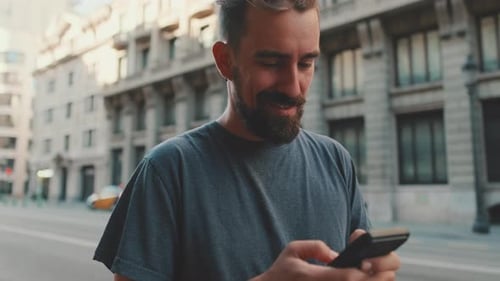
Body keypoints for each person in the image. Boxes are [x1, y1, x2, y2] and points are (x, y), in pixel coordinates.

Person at [93, 0, 401, 280]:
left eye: (306, 63)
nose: (294, 87)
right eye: (271, 62)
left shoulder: (336, 160)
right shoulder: (168, 170)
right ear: (225, 61)